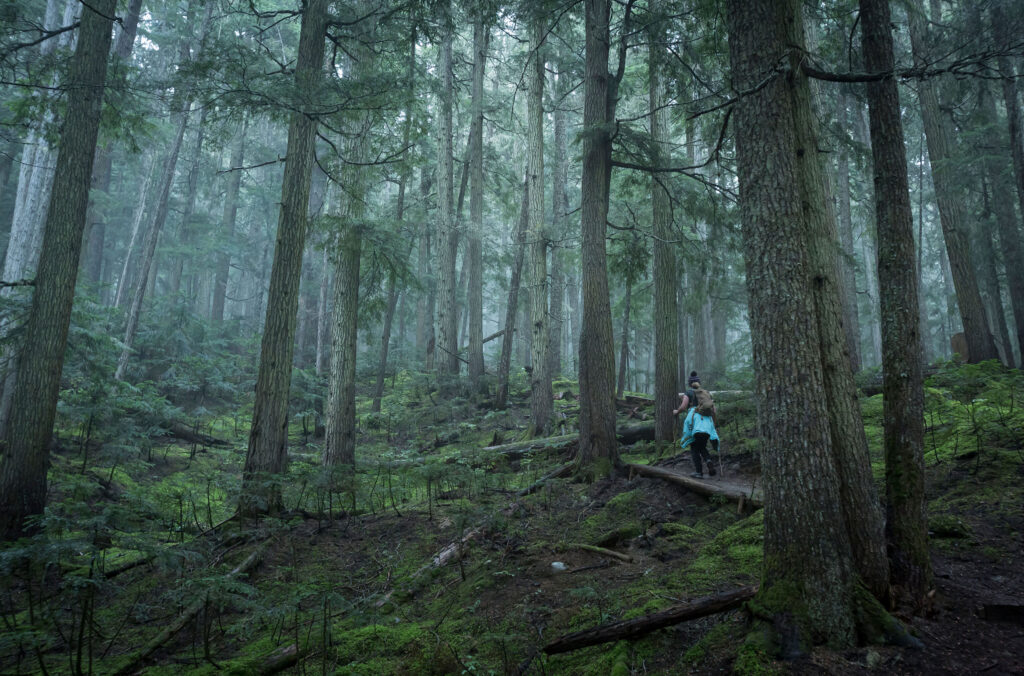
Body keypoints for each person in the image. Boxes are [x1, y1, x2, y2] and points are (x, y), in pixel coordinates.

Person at [680, 403, 719, 479]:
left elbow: (687, 423)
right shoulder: (707, 414)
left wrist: (686, 438)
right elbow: (712, 426)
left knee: (694, 450)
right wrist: (715, 439)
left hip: (697, 432)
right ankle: (708, 460)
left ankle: (699, 472)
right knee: (702, 448)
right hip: (707, 433)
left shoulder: (692, 411)